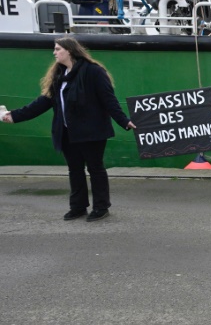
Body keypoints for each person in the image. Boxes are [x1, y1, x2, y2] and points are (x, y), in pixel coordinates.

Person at [1, 37, 136, 222]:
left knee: (95, 169)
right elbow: (43, 102)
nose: (54, 52)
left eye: (57, 49)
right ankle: (78, 207)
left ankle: (101, 207)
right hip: (67, 133)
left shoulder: (93, 72)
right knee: (75, 170)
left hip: (91, 132)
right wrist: (14, 116)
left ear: (70, 51)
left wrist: (124, 121)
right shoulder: (59, 75)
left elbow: (109, 100)